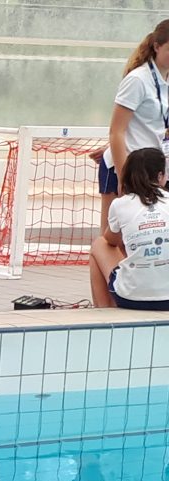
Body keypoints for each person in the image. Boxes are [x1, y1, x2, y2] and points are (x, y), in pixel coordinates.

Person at [98, 19, 169, 233]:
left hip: (152, 168)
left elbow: (155, 125)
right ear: (156, 46)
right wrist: (124, 176)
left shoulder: (165, 81)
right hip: (126, 167)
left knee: (146, 237)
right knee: (111, 238)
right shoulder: (138, 80)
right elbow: (116, 131)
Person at [89, 146, 169, 309]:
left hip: (132, 298)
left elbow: (110, 241)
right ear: (160, 176)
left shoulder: (120, 204)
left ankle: (104, 310)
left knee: (99, 244)